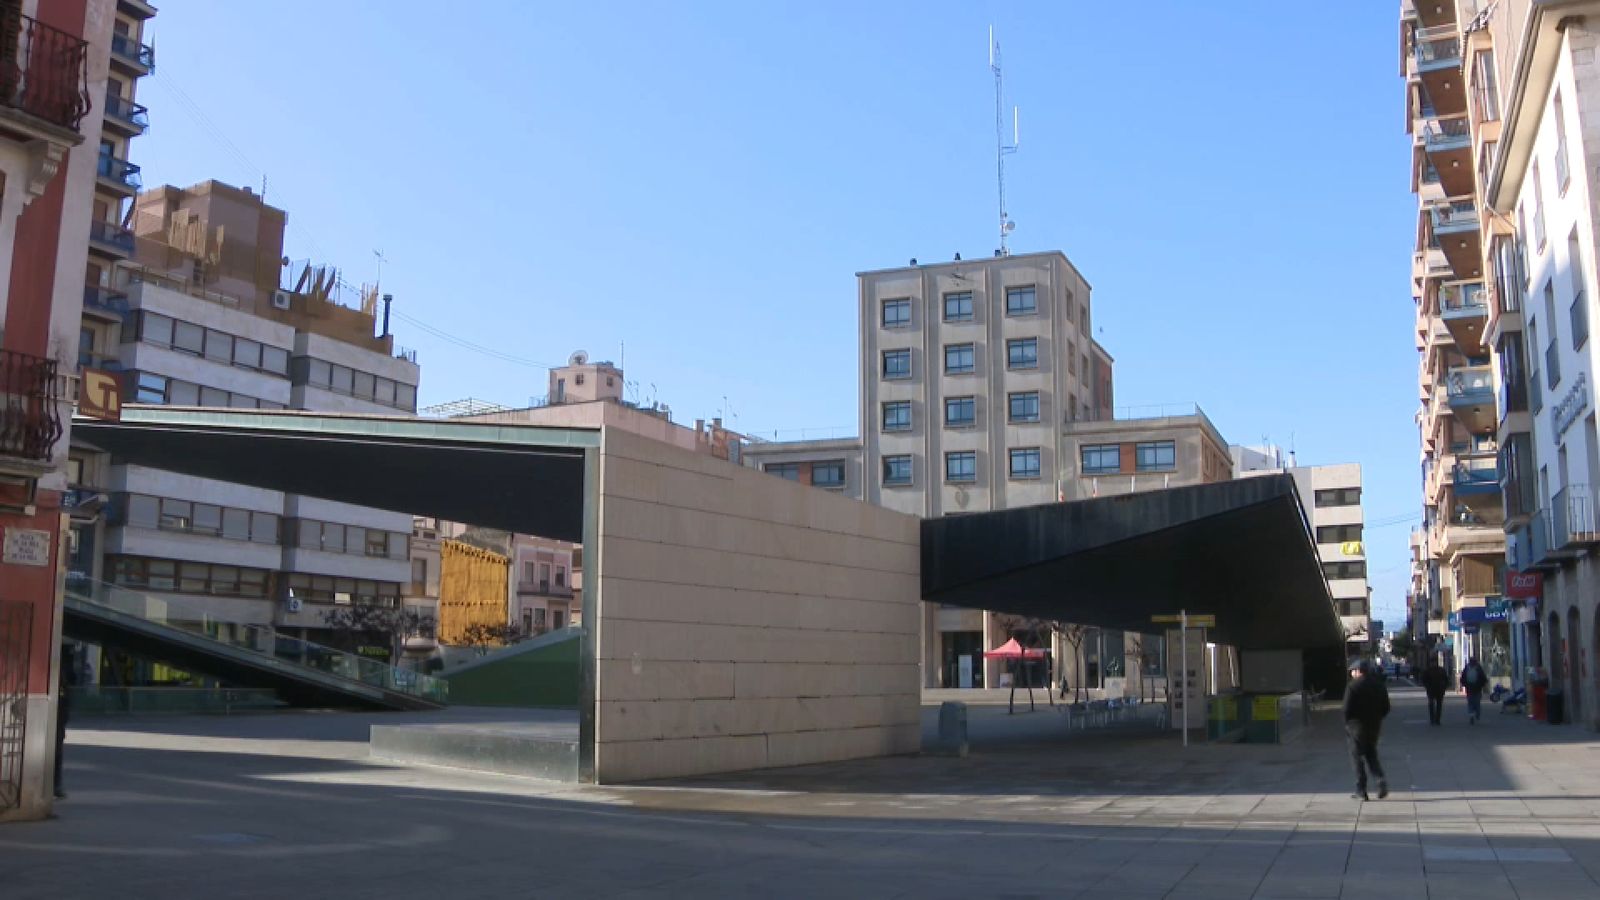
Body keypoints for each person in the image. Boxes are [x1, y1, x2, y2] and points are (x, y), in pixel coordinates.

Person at [1343, 659, 1391, 801]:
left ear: (1358, 671)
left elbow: (1346, 709)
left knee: (1357, 758)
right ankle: (1380, 780)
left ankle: (1361, 789)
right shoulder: (1379, 685)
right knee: (1371, 755)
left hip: (1356, 727)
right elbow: (1386, 707)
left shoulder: (1353, 686)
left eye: (1352, 671)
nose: (1351, 674)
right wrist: (1377, 718)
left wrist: (1348, 723)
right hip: (1374, 726)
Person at [1461, 657, 1488, 724]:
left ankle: (1472, 715)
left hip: (1471, 688)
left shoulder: (1467, 668)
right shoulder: (1478, 668)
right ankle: (1475, 715)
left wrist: (1465, 685)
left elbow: (1463, 678)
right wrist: (1482, 685)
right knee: (1476, 703)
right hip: (1476, 688)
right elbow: (1483, 678)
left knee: (1471, 703)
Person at [1421, 659, 1449, 726]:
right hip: (1431, 690)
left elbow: (1446, 679)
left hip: (1439, 690)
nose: (1433, 663)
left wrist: (1444, 687)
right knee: (1431, 704)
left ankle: (1437, 719)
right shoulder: (1428, 671)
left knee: (1439, 705)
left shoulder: (1441, 670)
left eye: (1434, 662)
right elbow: (1423, 680)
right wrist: (1427, 686)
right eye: (1432, 662)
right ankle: (1432, 719)